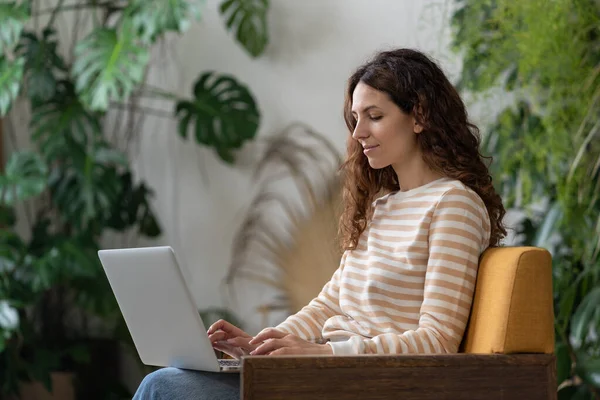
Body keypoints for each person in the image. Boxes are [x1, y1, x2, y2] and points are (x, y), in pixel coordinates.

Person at [132, 48, 507, 399]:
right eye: (356, 119)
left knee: (163, 387)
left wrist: (324, 353)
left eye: (375, 117)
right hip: (328, 371)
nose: (359, 134)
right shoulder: (384, 206)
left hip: (362, 382)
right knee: (165, 383)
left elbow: (436, 341)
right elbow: (330, 303)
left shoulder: (454, 204)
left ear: (420, 115)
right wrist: (264, 344)